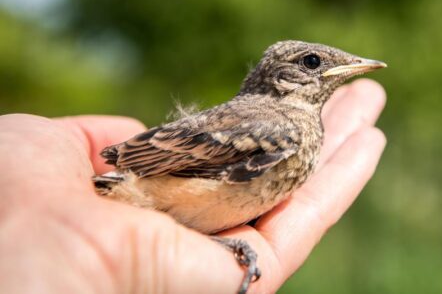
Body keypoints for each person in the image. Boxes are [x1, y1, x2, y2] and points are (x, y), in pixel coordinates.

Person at [0, 79, 386, 293]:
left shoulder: (292, 127)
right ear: (281, 79)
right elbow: (151, 165)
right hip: (147, 187)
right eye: (313, 64)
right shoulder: (280, 129)